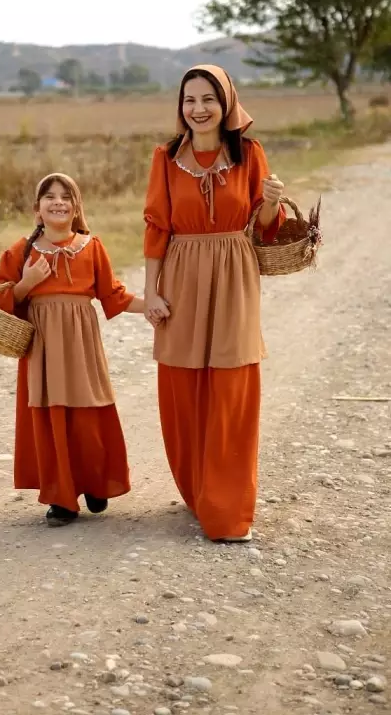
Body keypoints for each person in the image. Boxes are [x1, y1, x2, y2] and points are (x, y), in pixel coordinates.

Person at [143, 64, 285, 543]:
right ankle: (198, 489)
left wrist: (270, 202)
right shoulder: (165, 157)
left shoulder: (250, 153)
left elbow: (264, 226)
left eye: (209, 99)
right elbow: (157, 226)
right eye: (190, 100)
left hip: (234, 272)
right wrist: (151, 291)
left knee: (231, 385)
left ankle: (227, 510)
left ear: (226, 104)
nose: (198, 109)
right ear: (180, 107)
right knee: (182, 386)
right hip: (181, 273)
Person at [0, 172, 147, 527]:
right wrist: (26, 283)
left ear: (76, 208)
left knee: (89, 410)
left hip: (81, 343)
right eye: (50, 196)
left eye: (66, 196)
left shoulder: (92, 247)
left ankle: (94, 482)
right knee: (52, 413)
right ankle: (62, 496)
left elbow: (113, 295)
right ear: (37, 209)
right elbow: (1, 300)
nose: (58, 202)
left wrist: (152, 306)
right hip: (43, 346)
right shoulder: (21, 251)